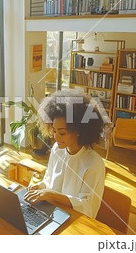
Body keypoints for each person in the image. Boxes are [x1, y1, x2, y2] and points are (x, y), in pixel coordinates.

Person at [24, 88, 107, 218]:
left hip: (76, 220)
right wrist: (39, 187)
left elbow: (87, 207)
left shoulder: (93, 163)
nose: (56, 137)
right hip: (52, 212)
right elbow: (49, 180)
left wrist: (50, 195)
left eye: (62, 133)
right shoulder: (57, 149)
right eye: (54, 131)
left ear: (78, 130)